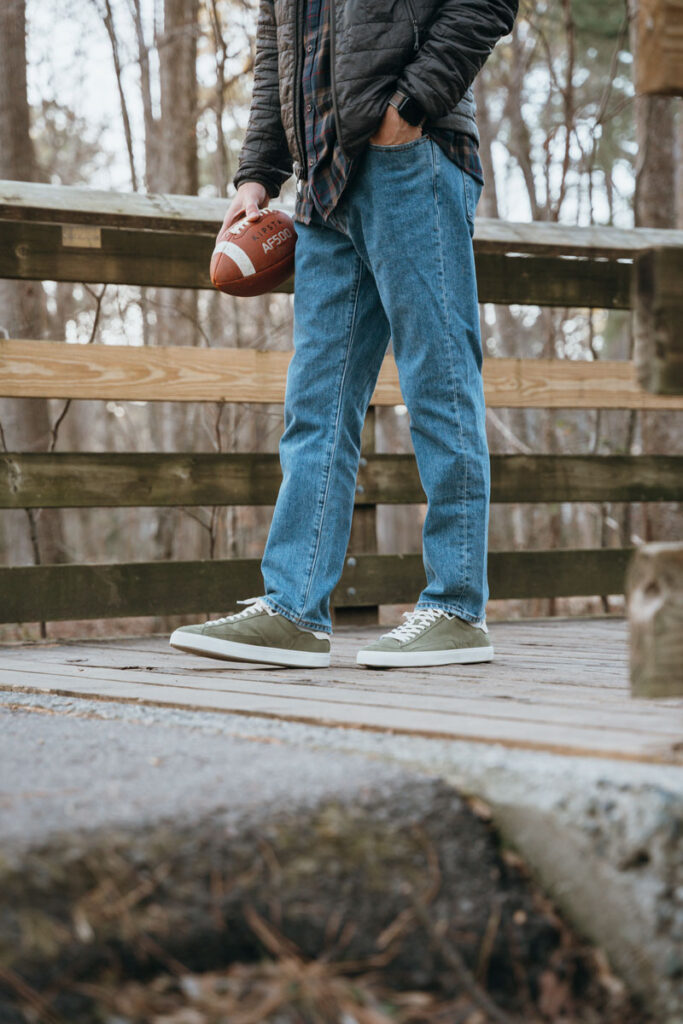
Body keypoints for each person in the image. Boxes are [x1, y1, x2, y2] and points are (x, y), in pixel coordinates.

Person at [170, 0, 518, 670]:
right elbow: (280, 50)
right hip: (320, 184)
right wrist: (258, 172)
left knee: (438, 382)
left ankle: (456, 606)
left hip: (411, 159)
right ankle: (293, 611)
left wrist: (410, 109)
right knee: (315, 403)